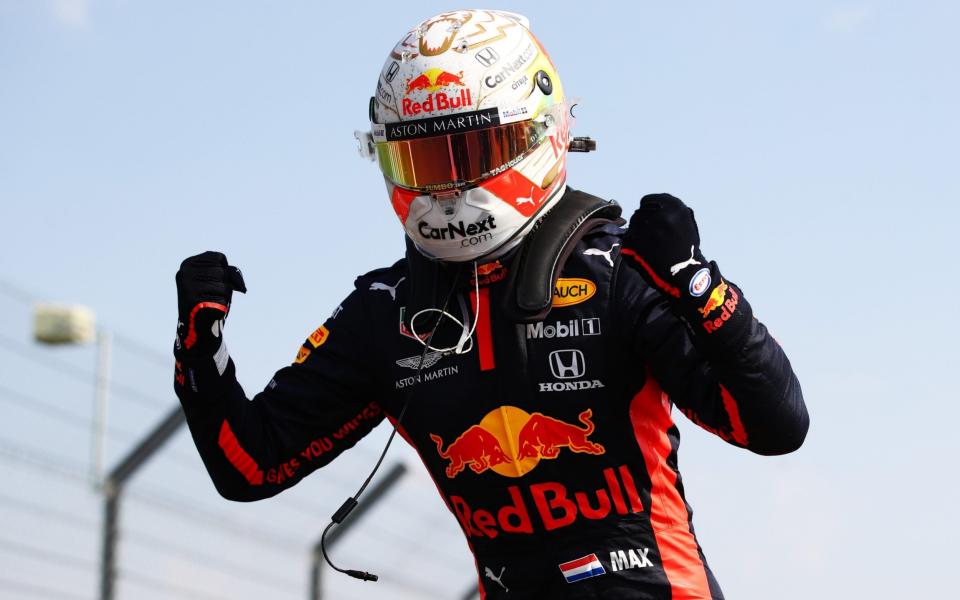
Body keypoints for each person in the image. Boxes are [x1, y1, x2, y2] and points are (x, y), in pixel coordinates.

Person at [173, 9, 808, 599]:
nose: (446, 186)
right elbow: (250, 465)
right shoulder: (382, 313)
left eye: (469, 153)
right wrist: (200, 351)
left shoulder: (623, 270)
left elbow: (776, 425)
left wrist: (703, 290)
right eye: (422, 157)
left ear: (537, 135)